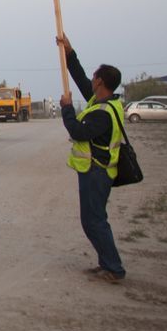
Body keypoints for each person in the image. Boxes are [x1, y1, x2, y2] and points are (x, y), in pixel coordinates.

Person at [55, 33, 126, 283]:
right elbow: (79, 77)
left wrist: (66, 108)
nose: (91, 79)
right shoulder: (102, 101)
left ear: (101, 82)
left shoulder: (103, 113)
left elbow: (77, 131)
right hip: (96, 171)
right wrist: (69, 52)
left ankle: (114, 268)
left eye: (95, 77)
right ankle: (107, 263)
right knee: (94, 220)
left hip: (97, 172)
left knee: (94, 221)